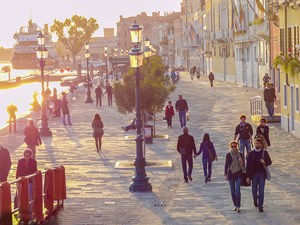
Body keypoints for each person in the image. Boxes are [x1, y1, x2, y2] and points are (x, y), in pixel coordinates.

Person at [246, 138, 272, 213]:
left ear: (261, 144)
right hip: (253, 175)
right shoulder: (250, 154)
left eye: (258, 143)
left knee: (261, 191)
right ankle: (255, 199)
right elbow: (248, 166)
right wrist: (247, 177)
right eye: (255, 143)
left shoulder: (264, 153)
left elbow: (270, 162)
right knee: (254, 190)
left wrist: (265, 162)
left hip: (262, 174)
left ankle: (260, 206)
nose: (257, 144)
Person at [224, 141, 245, 213]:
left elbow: (243, 166)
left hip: (238, 174)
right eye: (232, 146)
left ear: (237, 147)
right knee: (232, 191)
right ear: (230, 147)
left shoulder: (240, 155)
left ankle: (238, 206)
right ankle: (235, 205)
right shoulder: (228, 155)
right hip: (231, 175)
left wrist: (241, 162)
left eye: (235, 146)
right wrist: (225, 174)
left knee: (238, 190)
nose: (233, 148)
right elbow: (226, 165)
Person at [15, 149, 38, 215]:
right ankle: (19, 210)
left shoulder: (34, 162)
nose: (26, 157)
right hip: (21, 181)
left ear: (30, 155)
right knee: (19, 196)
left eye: (27, 155)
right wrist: (17, 180)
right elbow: (18, 171)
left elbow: (35, 171)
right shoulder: (20, 161)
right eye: (24, 155)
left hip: (29, 181)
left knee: (29, 196)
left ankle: (29, 210)